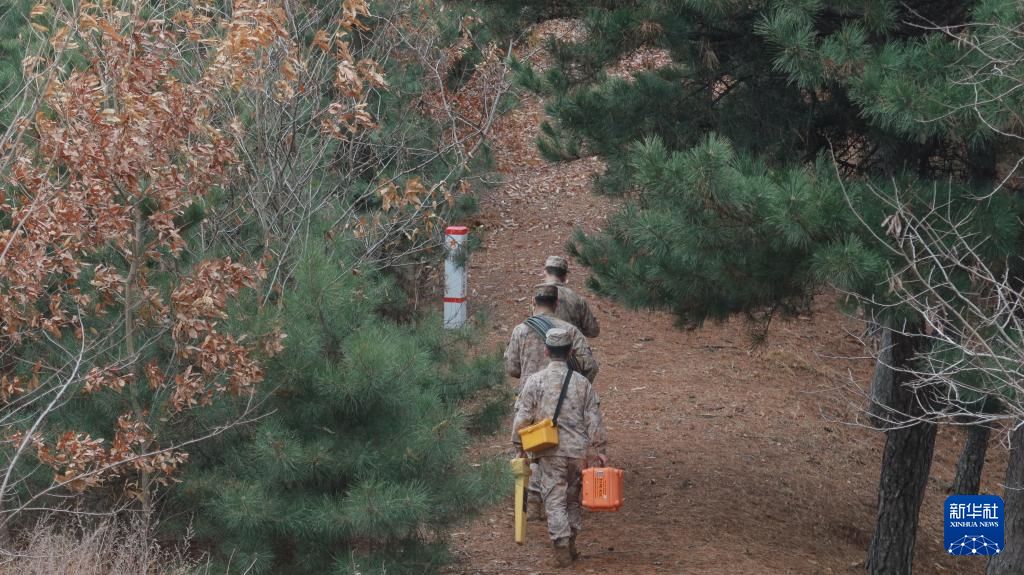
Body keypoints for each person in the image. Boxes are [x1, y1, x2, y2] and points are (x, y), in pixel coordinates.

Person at [512, 328, 608, 567]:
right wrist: (599, 450)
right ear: (571, 352)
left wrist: (519, 446)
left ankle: (561, 545)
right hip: (578, 452)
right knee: (572, 499)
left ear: (546, 351)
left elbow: (522, 418)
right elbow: (594, 419)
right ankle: (572, 540)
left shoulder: (535, 381)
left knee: (554, 499)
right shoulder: (582, 383)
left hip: (548, 450)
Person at [504, 285, 598, 386]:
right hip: (563, 397)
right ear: (556, 303)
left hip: (530, 397)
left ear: (533, 301)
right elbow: (590, 366)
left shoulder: (520, 331)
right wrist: (576, 389)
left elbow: (512, 369)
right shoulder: (571, 331)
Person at [541, 255, 600, 339]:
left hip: (541, 349)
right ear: (565, 276)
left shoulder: (538, 296)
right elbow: (593, 331)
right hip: (570, 349)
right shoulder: (577, 299)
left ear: (545, 272)